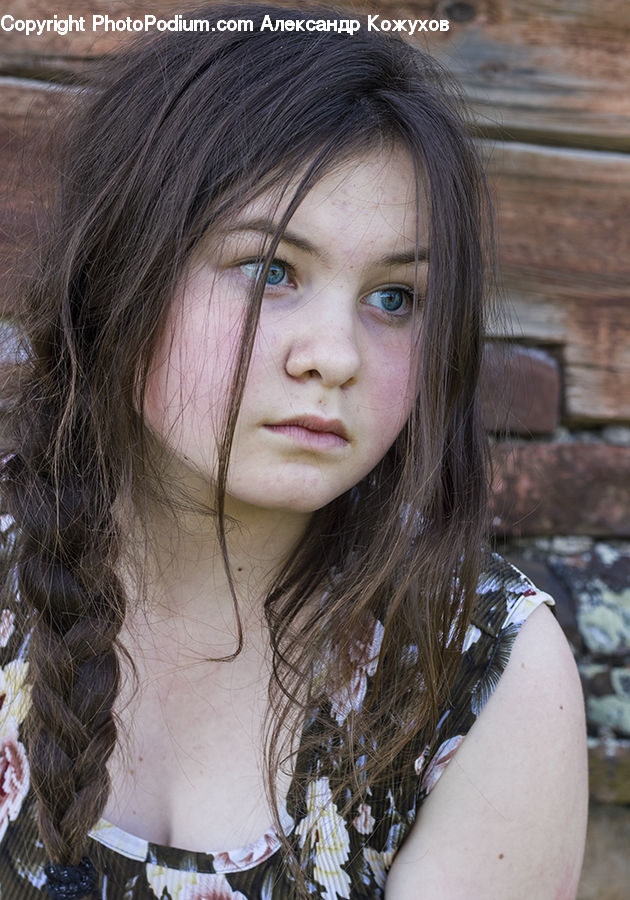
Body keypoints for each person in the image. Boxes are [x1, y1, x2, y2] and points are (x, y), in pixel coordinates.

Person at [0, 3, 588, 898]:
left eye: (394, 297)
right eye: (271, 270)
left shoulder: (482, 668)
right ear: (127, 266)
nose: (336, 356)